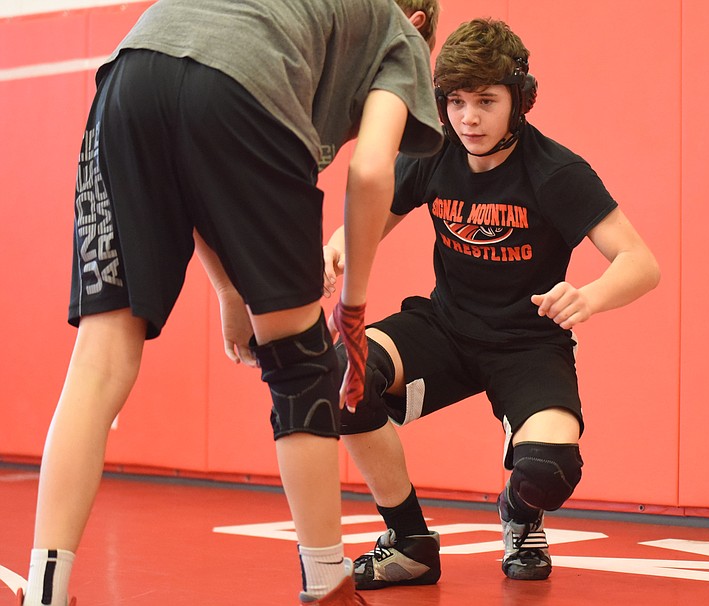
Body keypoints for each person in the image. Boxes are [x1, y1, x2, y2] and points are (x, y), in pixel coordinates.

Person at [19, 1, 443, 605]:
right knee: (301, 364)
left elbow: (191, 115)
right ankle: (327, 583)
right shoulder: (398, 32)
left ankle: (45, 591)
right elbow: (374, 171)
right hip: (245, 93)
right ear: (422, 18)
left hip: (129, 75)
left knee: (101, 356)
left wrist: (229, 289)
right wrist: (350, 311)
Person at [323, 17, 661, 590]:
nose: (468, 118)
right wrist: (337, 245)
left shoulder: (556, 172)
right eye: (455, 102)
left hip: (528, 341)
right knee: (341, 378)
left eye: (485, 101)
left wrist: (588, 295)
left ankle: (520, 514)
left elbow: (640, 263)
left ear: (519, 101)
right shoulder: (434, 153)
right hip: (446, 326)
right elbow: (374, 216)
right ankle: (410, 543)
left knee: (549, 470)